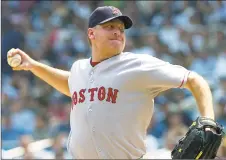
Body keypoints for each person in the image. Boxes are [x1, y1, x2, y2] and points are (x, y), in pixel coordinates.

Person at [7, 6, 216, 159]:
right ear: (91, 33)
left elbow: (194, 80)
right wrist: (33, 65)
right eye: (110, 26)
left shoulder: (138, 65)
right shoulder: (79, 68)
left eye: (121, 29)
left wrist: (208, 120)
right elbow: (72, 85)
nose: (117, 31)